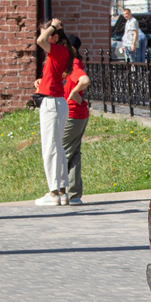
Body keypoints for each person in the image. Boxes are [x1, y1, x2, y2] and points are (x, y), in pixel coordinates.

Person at [34, 18, 72, 206]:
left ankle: (53, 193)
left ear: (54, 37)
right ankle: (62, 192)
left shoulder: (57, 50)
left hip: (52, 104)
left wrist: (51, 27)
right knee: (57, 147)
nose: (44, 36)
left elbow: (40, 41)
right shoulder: (58, 52)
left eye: (48, 33)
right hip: (54, 101)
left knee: (50, 148)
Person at [62, 35, 91, 206]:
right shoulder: (72, 65)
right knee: (73, 153)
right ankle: (73, 194)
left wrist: (74, 93)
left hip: (73, 114)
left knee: (64, 152)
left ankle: (59, 191)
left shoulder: (74, 65)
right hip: (78, 114)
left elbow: (84, 80)